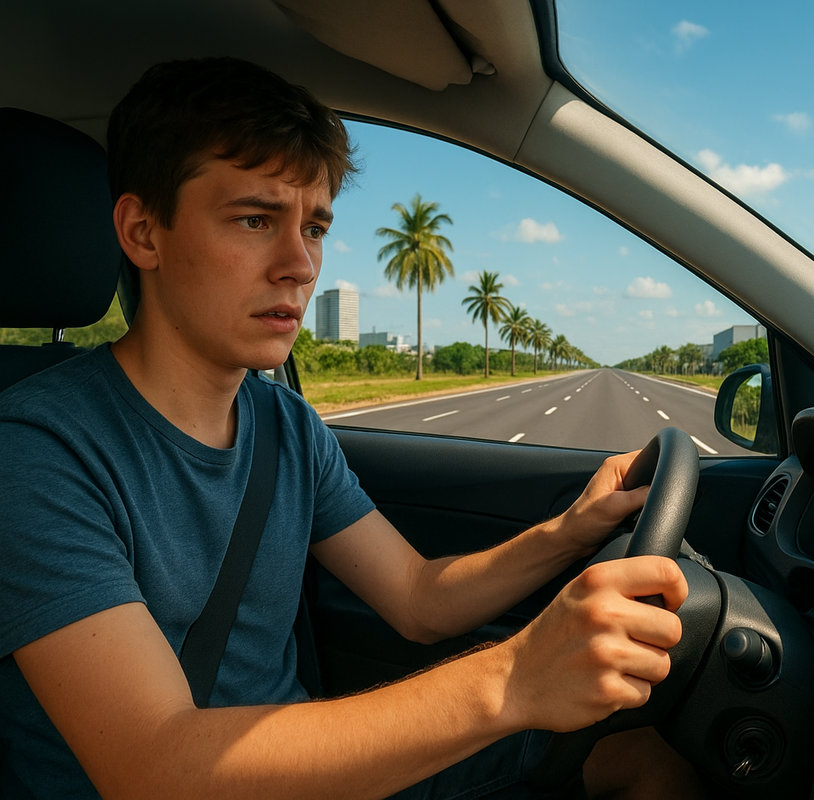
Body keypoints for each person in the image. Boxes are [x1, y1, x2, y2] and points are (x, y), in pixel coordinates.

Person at [0, 57, 695, 799]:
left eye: (315, 227)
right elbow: (157, 767)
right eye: (255, 219)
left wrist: (570, 531)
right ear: (144, 233)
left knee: (636, 756)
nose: (300, 264)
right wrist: (513, 676)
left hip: (305, 774)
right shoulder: (36, 453)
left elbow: (419, 598)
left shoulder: (287, 426)